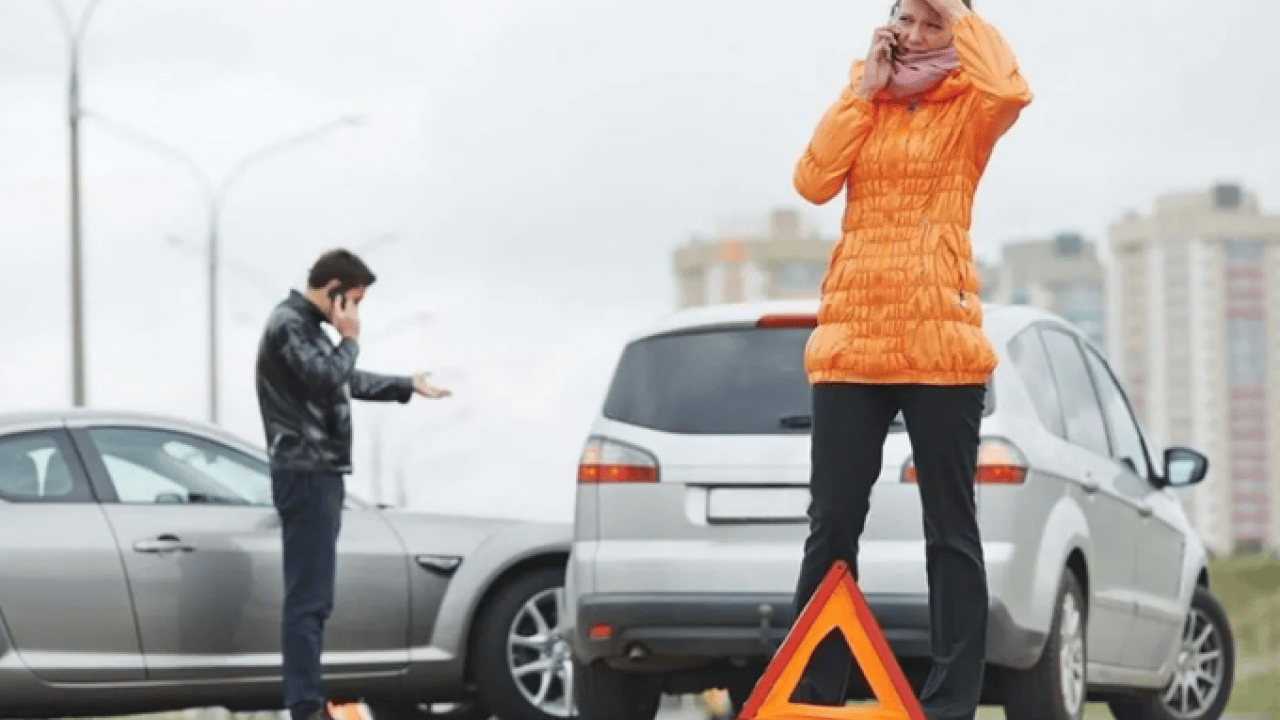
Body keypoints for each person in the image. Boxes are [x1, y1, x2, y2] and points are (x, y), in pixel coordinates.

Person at [789, 1, 1031, 720]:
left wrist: (959, 12)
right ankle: (814, 694)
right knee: (832, 522)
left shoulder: (971, 107)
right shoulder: (864, 96)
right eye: (908, 19)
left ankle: (950, 704)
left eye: (935, 24)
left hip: (940, 345)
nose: (918, 35)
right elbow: (812, 181)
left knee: (950, 529)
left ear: (957, 33)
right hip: (852, 342)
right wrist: (864, 89)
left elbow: (1013, 90)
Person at [254, 248, 451, 720]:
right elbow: (328, 375)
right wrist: (350, 338)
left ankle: (306, 702)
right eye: (354, 302)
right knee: (309, 598)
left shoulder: (304, 329)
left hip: (318, 471)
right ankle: (304, 707)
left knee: (315, 597)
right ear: (334, 291)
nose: (357, 314)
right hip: (306, 472)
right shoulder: (289, 324)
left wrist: (406, 384)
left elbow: (345, 379)